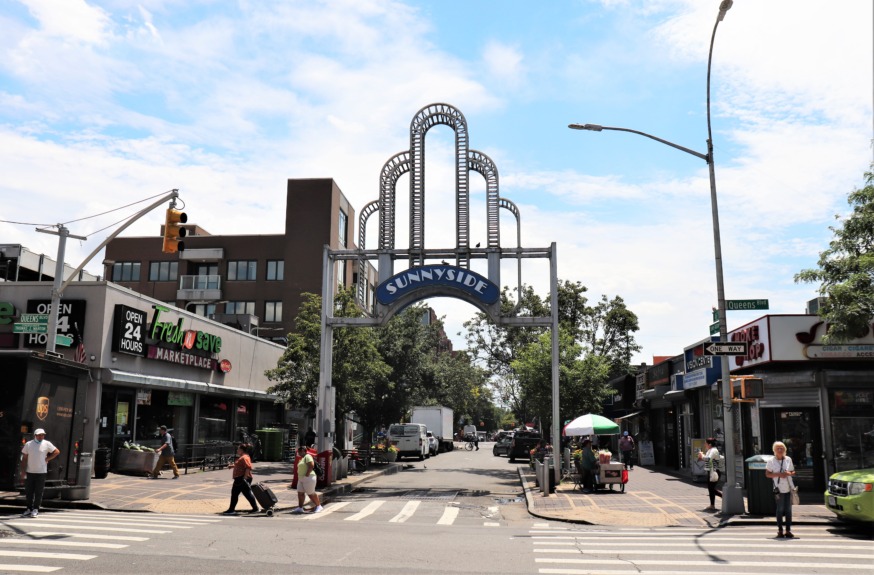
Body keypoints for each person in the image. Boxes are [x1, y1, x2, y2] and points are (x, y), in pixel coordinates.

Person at [20, 428, 60, 518]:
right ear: (35, 435)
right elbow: (24, 458)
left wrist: (47, 459)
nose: (41, 436)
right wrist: (23, 471)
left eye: (43, 435)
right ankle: (28, 509)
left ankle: (36, 509)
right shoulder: (29, 444)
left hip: (41, 472)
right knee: (29, 492)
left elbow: (57, 451)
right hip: (30, 471)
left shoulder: (47, 443)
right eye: (40, 435)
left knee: (38, 491)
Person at [765, 440, 796, 539]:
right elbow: (767, 474)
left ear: (784, 450)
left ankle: (788, 530)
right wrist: (779, 474)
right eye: (778, 448)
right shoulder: (771, 461)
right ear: (774, 450)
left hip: (789, 487)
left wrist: (789, 473)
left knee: (788, 510)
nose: (780, 450)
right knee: (780, 509)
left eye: (782, 448)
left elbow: (792, 471)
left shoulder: (788, 459)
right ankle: (780, 530)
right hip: (778, 488)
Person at [222, 444, 259, 515]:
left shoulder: (244, 457)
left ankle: (231, 510)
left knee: (234, 493)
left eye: (238, 449)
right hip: (242, 478)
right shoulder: (243, 457)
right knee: (247, 493)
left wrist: (244, 478)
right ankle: (255, 508)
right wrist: (232, 466)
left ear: (242, 450)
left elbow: (248, 467)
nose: (237, 450)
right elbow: (240, 466)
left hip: (241, 478)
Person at [292, 445, 322, 513]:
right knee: (300, 493)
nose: (298, 453)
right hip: (301, 478)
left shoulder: (308, 456)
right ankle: (300, 507)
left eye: (299, 451)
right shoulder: (302, 458)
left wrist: (307, 474)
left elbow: (311, 465)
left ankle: (318, 506)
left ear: (303, 451)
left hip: (309, 477)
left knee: (311, 493)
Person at [697, 437, 722, 511]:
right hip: (711, 471)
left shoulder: (713, 450)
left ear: (710, 444)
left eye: (706, 443)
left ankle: (724, 497)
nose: (705, 444)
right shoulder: (711, 450)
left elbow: (708, 458)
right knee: (711, 489)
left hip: (714, 471)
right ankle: (712, 505)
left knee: (711, 488)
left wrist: (702, 456)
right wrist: (702, 457)